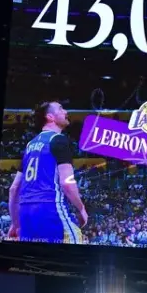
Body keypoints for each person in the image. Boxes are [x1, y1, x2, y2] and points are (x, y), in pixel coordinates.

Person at [8, 101, 87, 244]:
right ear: (50, 117)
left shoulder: (29, 145)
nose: (65, 112)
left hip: (26, 215)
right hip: (51, 210)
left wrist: (15, 223)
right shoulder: (58, 139)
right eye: (61, 109)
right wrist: (81, 209)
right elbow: (66, 183)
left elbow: (14, 189)